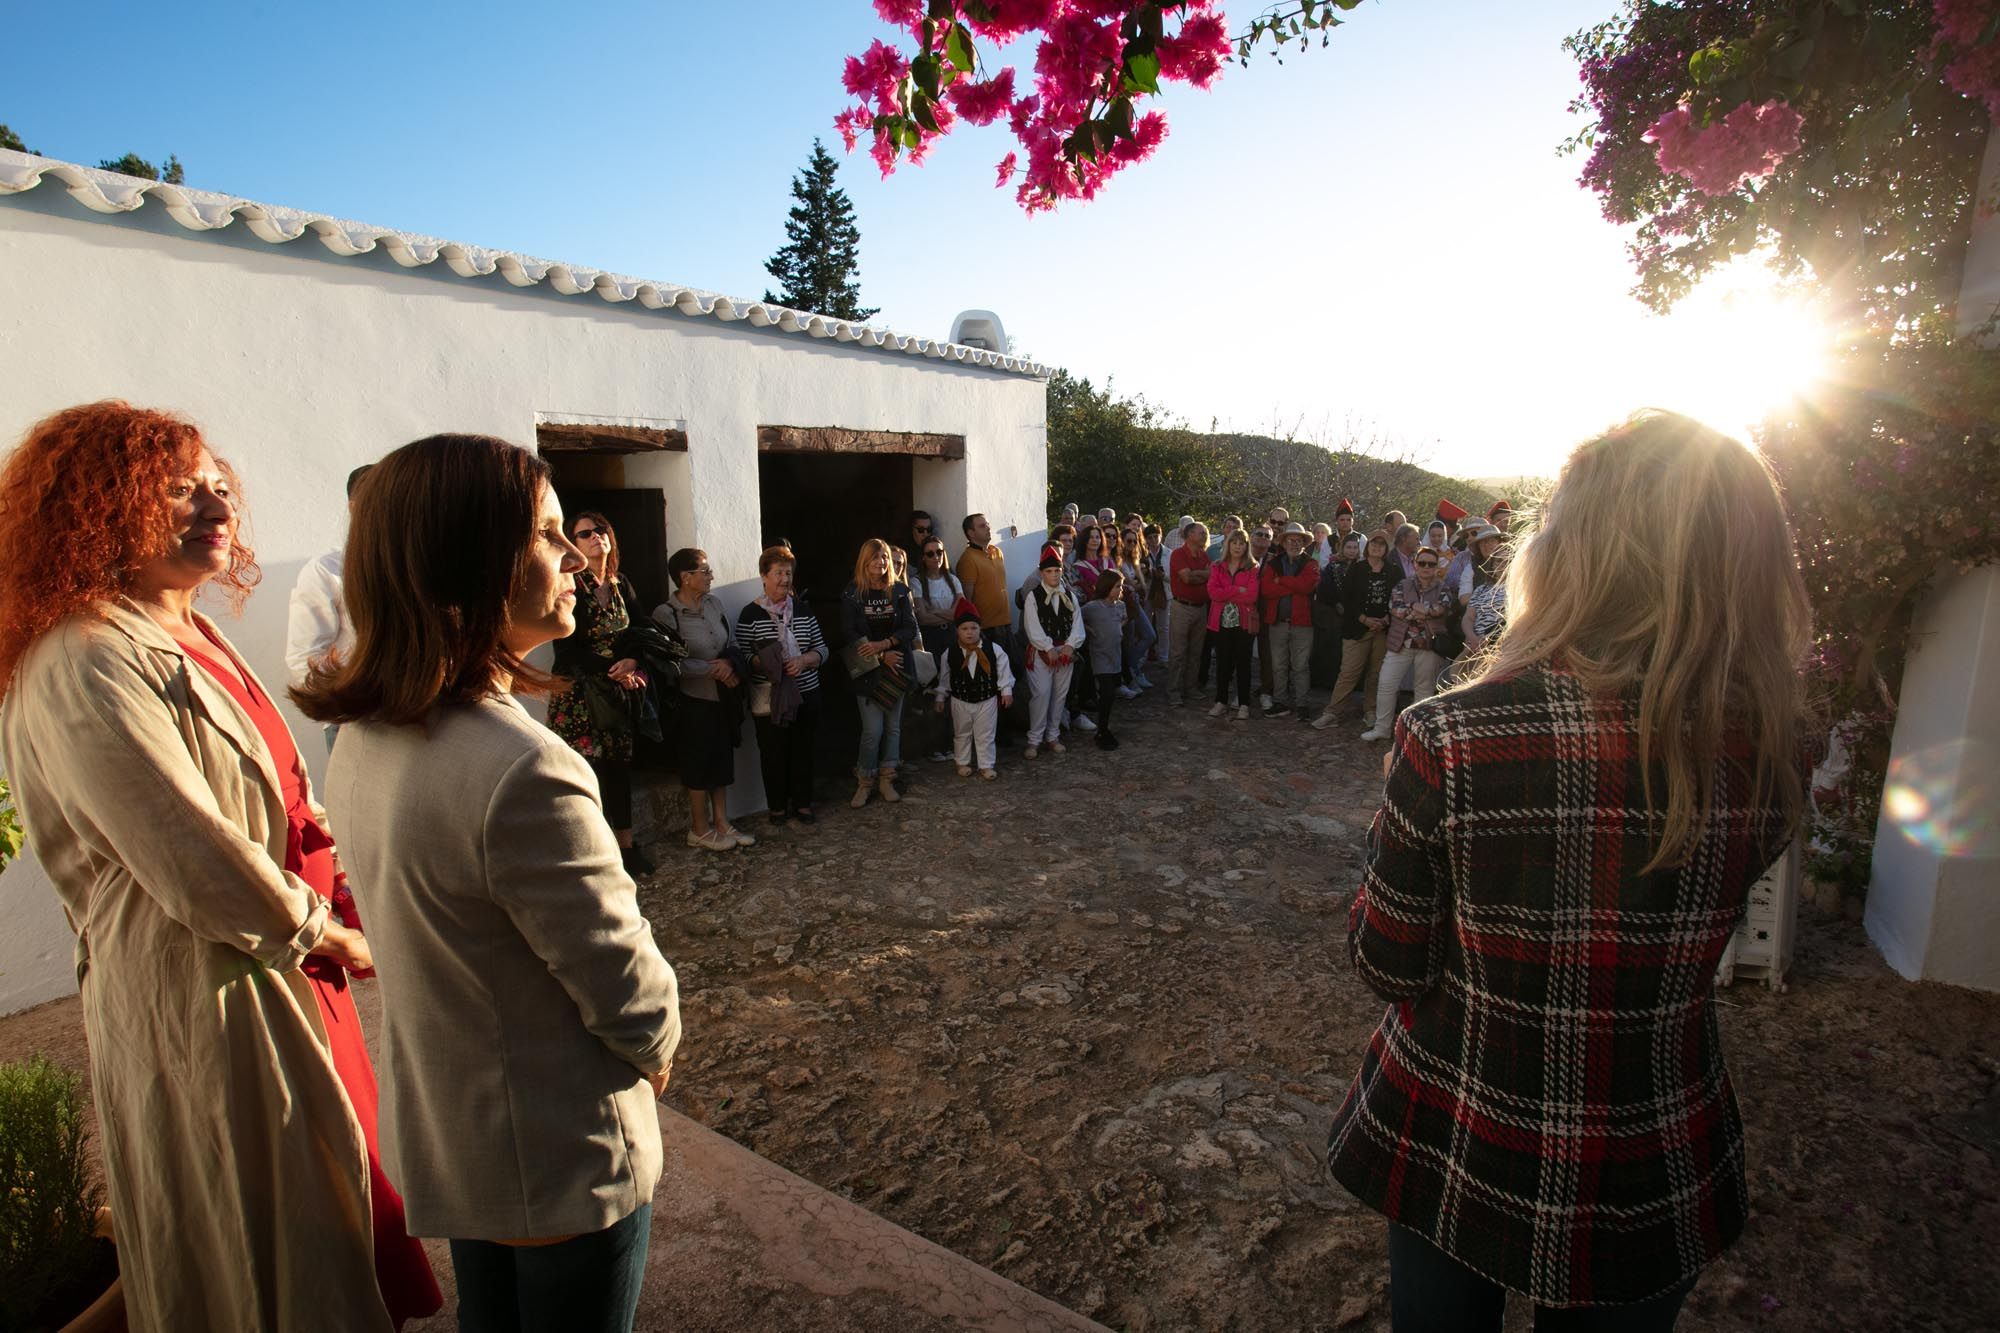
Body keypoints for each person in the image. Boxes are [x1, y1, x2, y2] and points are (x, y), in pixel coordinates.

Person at [1326, 412, 1812, 1331]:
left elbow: (1387, 962)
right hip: (1650, 1139)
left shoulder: (1454, 736)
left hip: (1462, 1122)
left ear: (1578, 552)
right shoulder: (1773, 750)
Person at [0, 402, 426, 1332]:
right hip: (208, 986)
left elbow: (278, 791)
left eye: (216, 482)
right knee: (255, 1241)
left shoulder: (184, 629)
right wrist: (332, 933)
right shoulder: (85, 657)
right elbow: (192, 850)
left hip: (274, 968)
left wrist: (344, 876)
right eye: (177, 485)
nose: (213, 500)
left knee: (317, 1208)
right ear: (97, 505)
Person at [298, 433, 678, 1333]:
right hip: (558, 1152)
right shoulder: (521, 766)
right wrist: (658, 1046)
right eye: (550, 534)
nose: (577, 555)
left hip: (460, 1133)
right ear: (477, 563)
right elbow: (625, 985)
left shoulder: (367, 738)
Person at [547, 510, 652, 876]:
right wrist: (614, 668)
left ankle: (626, 848)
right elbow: (567, 648)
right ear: (574, 544)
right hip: (579, 695)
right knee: (585, 773)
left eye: (601, 530)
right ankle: (593, 852)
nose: (596, 537)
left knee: (618, 770)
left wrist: (632, 660)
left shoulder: (621, 583)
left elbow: (640, 631)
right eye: (585, 533)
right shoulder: (571, 584)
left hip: (615, 692)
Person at [654, 548, 752, 853]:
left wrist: (730, 665)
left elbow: (731, 642)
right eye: (705, 571)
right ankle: (699, 828)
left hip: (721, 696)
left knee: (721, 758)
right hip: (691, 698)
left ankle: (722, 822)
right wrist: (712, 670)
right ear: (686, 578)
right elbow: (667, 662)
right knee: (697, 762)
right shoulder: (666, 614)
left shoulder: (714, 603)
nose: (711, 576)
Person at [737, 545, 829, 824]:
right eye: (778, 573)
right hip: (769, 694)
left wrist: (803, 661)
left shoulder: (802, 610)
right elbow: (742, 654)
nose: (784, 580)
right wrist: (764, 663)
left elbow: (822, 649)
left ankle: (802, 803)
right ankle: (777, 806)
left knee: (803, 748)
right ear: (764, 576)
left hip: (805, 691)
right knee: (773, 751)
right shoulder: (750, 614)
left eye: (788, 573)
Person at [285, 461, 372, 753]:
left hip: (418, 719)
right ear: (353, 507)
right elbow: (305, 659)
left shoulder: (418, 567)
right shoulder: (326, 570)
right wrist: (357, 704)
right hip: (354, 723)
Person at [841, 537, 919, 809]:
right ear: (865, 560)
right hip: (868, 670)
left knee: (893, 728)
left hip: (896, 666)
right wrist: (879, 654)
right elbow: (849, 632)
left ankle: (887, 779)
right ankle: (865, 782)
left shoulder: (898, 591)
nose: (881, 562)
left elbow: (910, 627)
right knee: (872, 730)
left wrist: (887, 646)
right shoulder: (853, 593)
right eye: (875, 557)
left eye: (884, 557)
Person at [1364, 544, 1451, 742]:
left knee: (1424, 690)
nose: (1426, 567)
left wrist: (1421, 610)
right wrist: (1418, 608)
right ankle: (1381, 728)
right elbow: (1395, 607)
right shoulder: (1402, 585)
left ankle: (1416, 734)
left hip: (1428, 646)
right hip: (1400, 644)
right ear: (1415, 564)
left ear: (1437, 566)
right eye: (1422, 563)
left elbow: (1443, 608)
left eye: (1431, 564)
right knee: (1386, 684)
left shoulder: (1443, 587)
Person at [1312, 531, 1398, 729]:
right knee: (1349, 672)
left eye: (1381, 544)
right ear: (1367, 546)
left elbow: (1398, 598)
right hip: (1356, 628)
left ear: (1387, 548)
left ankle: (1370, 710)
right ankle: (1332, 712)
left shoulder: (1393, 571)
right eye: (1373, 544)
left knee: (1376, 673)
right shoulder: (1357, 569)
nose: (1377, 547)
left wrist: (1386, 619)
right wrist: (1365, 619)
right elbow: (1347, 600)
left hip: (1383, 629)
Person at [932, 597, 1014, 778]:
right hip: (960, 699)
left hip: (987, 699)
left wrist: (1006, 691)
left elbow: (1003, 671)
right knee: (962, 733)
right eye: (964, 629)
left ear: (980, 629)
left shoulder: (994, 649)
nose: (969, 633)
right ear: (957, 631)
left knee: (986, 733)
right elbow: (945, 677)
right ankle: (962, 762)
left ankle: (986, 765)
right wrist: (940, 697)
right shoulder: (950, 653)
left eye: (973, 628)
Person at [1021, 543, 1084, 758]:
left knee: (1060, 695)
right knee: (1041, 694)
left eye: (1057, 570)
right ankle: (1034, 739)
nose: (1054, 574)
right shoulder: (1033, 596)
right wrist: (1048, 648)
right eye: (1049, 571)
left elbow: (1077, 623)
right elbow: (1032, 626)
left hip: (1065, 653)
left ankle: (1053, 735)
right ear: (1041, 573)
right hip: (1041, 653)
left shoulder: (1070, 595)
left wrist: (1069, 645)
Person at [911, 535, 965, 764]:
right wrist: (947, 614)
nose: (936, 557)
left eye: (939, 552)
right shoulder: (917, 582)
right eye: (930, 553)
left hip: (951, 637)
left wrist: (938, 613)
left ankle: (955, 741)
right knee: (934, 690)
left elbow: (961, 612)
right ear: (923, 558)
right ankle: (935, 745)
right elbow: (921, 615)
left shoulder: (953, 580)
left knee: (953, 686)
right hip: (932, 639)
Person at [1260, 522, 1319, 720]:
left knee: (1301, 666)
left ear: (1304, 543)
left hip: (1303, 623)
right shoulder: (1273, 564)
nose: (1294, 543)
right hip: (1278, 622)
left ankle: (1302, 704)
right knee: (1278, 665)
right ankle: (1280, 702)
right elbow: (1267, 589)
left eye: (1299, 540)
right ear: (1284, 542)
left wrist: (1282, 581)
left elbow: (1307, 586)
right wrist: (1294, 585)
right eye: (1291, 540)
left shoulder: (1311, 564)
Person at [1206, 528, 1261, 720]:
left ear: (1246, 546)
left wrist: (1226, 592)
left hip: (1243, 623)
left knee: (1243, 663)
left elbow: (1252, 596)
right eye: (1234, 542)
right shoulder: (1217, 566)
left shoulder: (1252, 568)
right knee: (1223, 663)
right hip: (1221, 622)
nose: (1237, 546)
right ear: (1228, 544)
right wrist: (1237, 589)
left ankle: (1244, 704)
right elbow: (1213, 593)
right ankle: (1221, 701)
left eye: (1241, 543)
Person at [1164, 519, 1211, 706]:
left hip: (1201, 608)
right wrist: (1201, 575)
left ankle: (1190, 688)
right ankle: (1173, 690)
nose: (1205, 536)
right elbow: (1187, 578)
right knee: (1178, 652)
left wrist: (1196, 573)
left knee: (1195, 651)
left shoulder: (1204, 556)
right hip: (1182, 607)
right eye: (1202, 532)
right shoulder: (1178, 554)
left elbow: (1209, 576)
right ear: (1190, 534)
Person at [956, 511, 1012, 664]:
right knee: (994, 672)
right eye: (982, 526)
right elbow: (968, 599)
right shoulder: (968, 559)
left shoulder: (997, 552)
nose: (988, 528)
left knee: (1012, 671)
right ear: (971, 533)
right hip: (987, 629)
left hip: (1005, 623)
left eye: (987, 524)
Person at [1082, 568, 1129, 750]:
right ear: (1106, 586)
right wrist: (1089, 629)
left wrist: (1117, 629)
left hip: (1114, 654)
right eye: (1117, 586)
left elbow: (1124, 618)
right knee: (1107, 692)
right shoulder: (1093, 608)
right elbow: (1078, 616)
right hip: (1099, 655)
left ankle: (1104, 726)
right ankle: (1102, 730)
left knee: (1110, 695)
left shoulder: (1119, 606)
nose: (1120, 590)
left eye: (1121, 586)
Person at [903, 508, 936, 574]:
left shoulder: (937, 552)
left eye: (929, 529)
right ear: (911, 530)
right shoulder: (902, 556)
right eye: (921, 530)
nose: (925, 534)